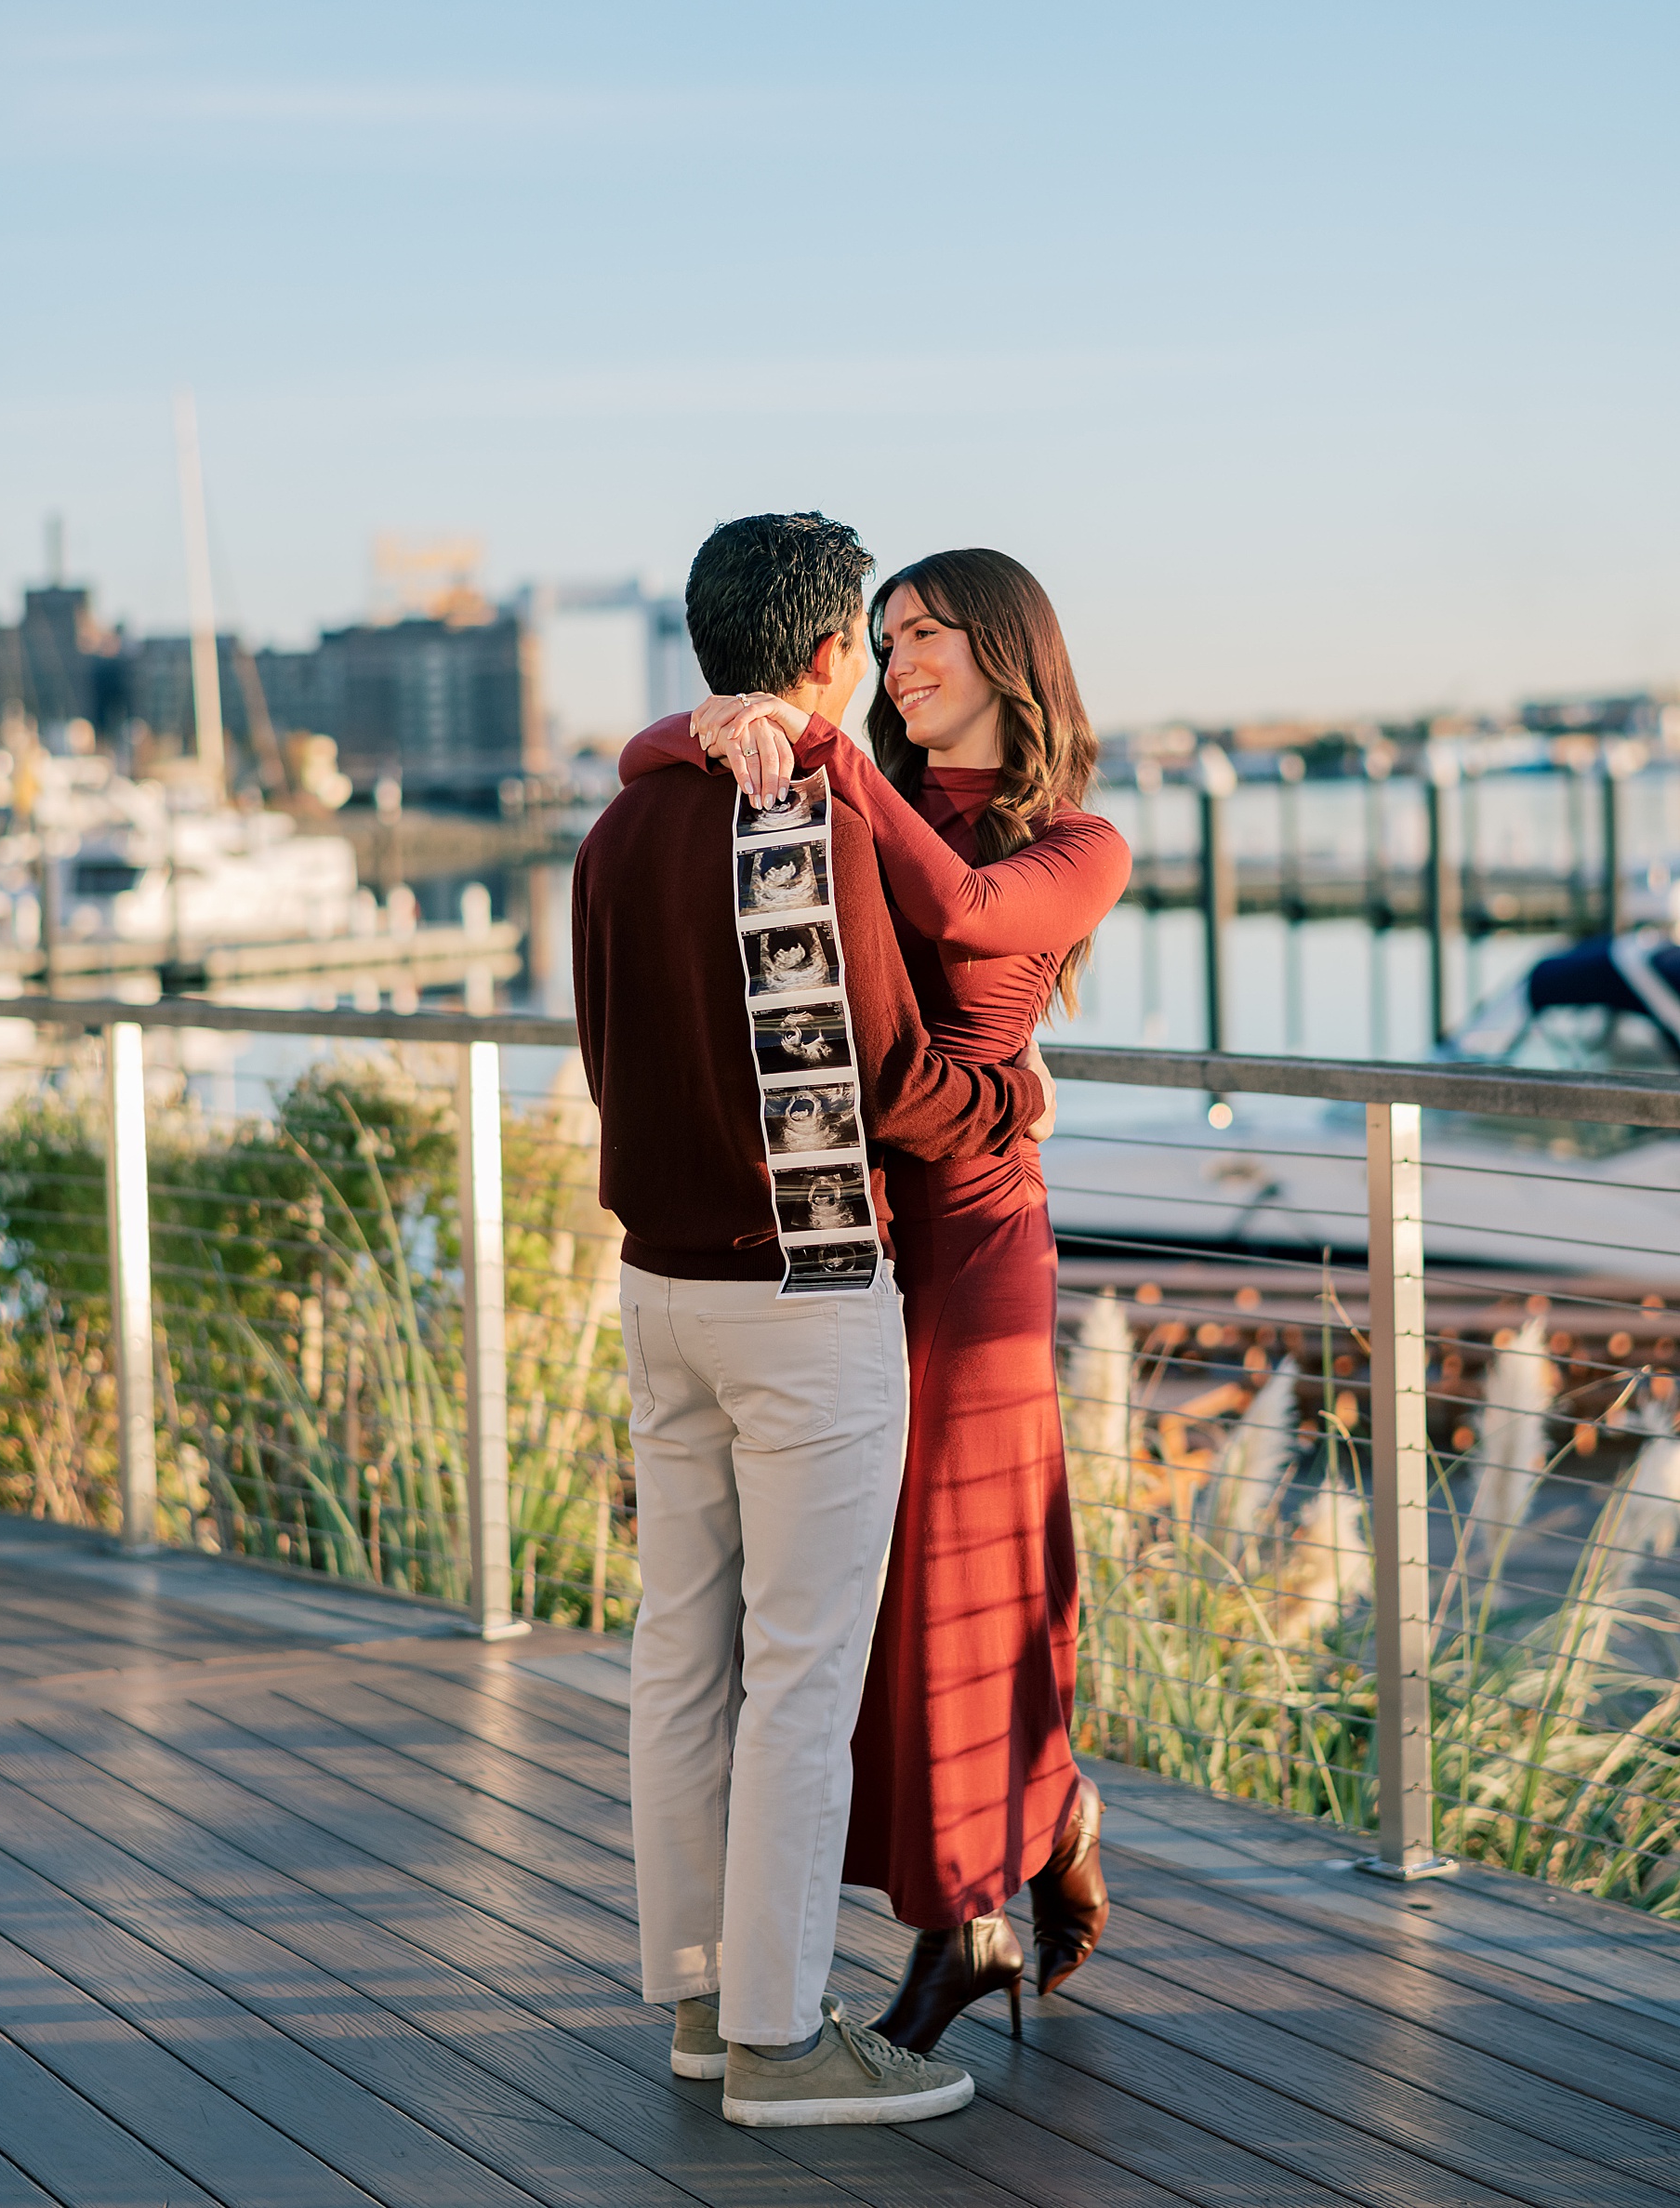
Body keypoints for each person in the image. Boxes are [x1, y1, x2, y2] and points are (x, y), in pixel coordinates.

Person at [574, 513, 1054, 2127]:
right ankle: (782, 2046)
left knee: (679, 1653)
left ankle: (707, 2007)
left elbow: (609, 1060)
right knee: (797, 1674)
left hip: (658, 1288)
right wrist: (1013, 1097)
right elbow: (878, 1080)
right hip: (803, 1290)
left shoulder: (616, 828)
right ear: (836, 650)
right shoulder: (798, 819)